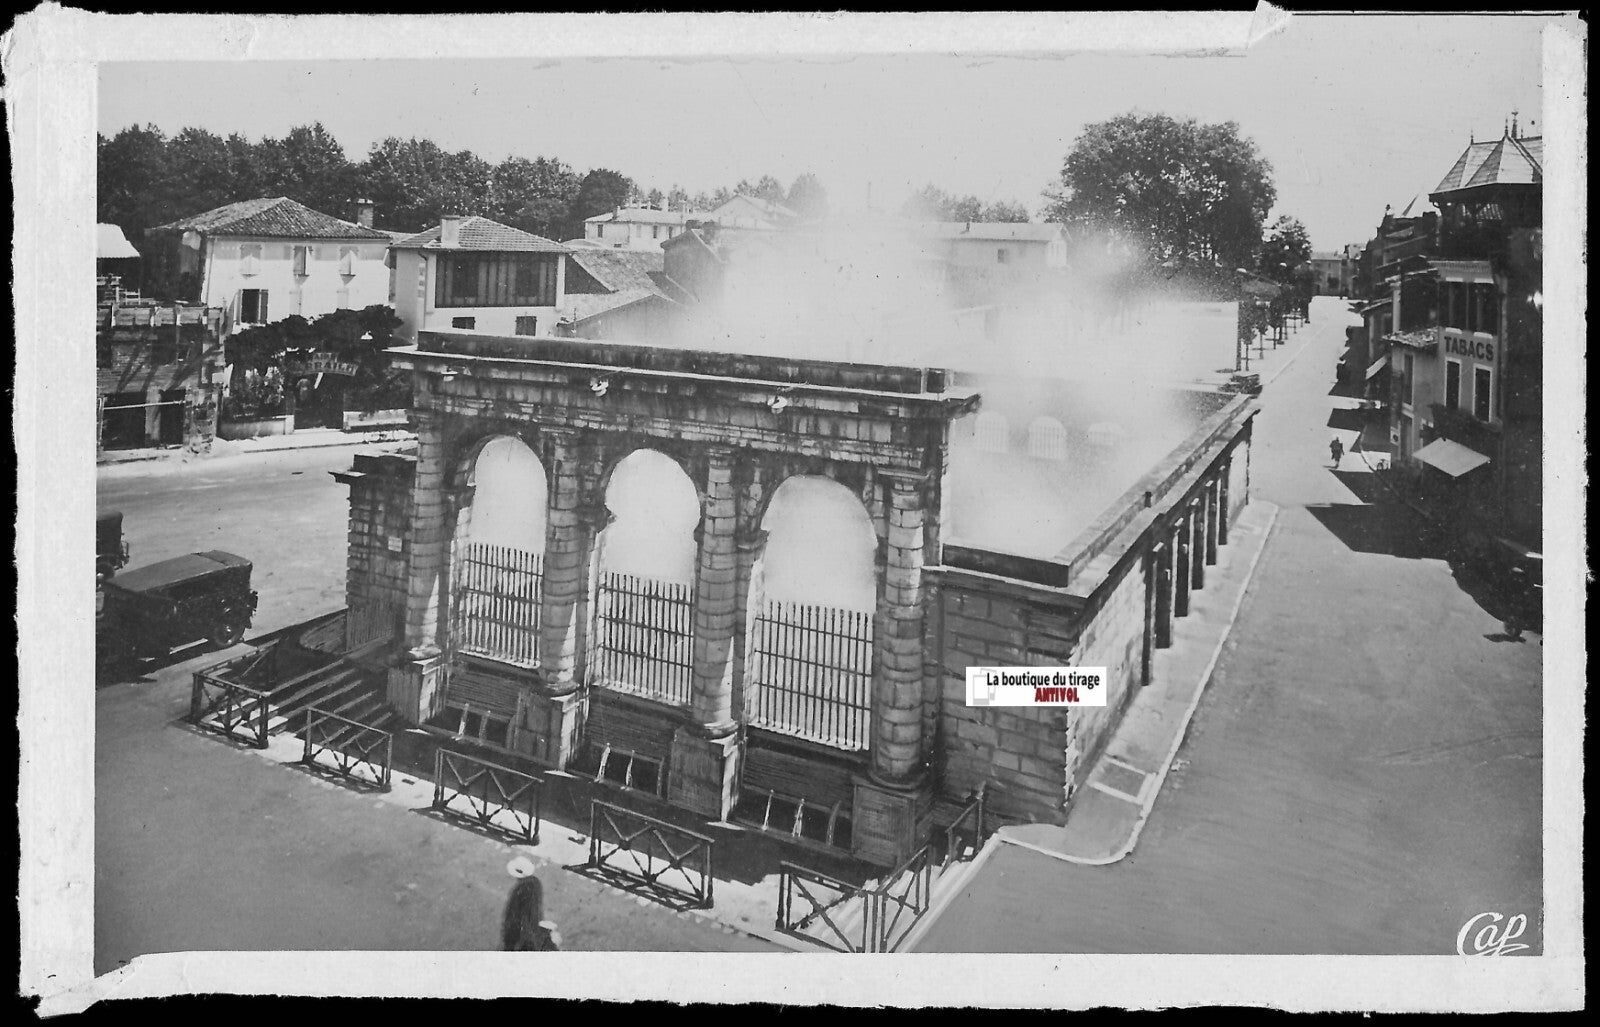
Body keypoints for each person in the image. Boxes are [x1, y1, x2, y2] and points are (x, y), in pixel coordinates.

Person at [501, 856, 561, 951]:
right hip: (533, 920)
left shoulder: (519, 889)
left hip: (522, 926)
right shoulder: (536, 883)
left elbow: (519, 912)